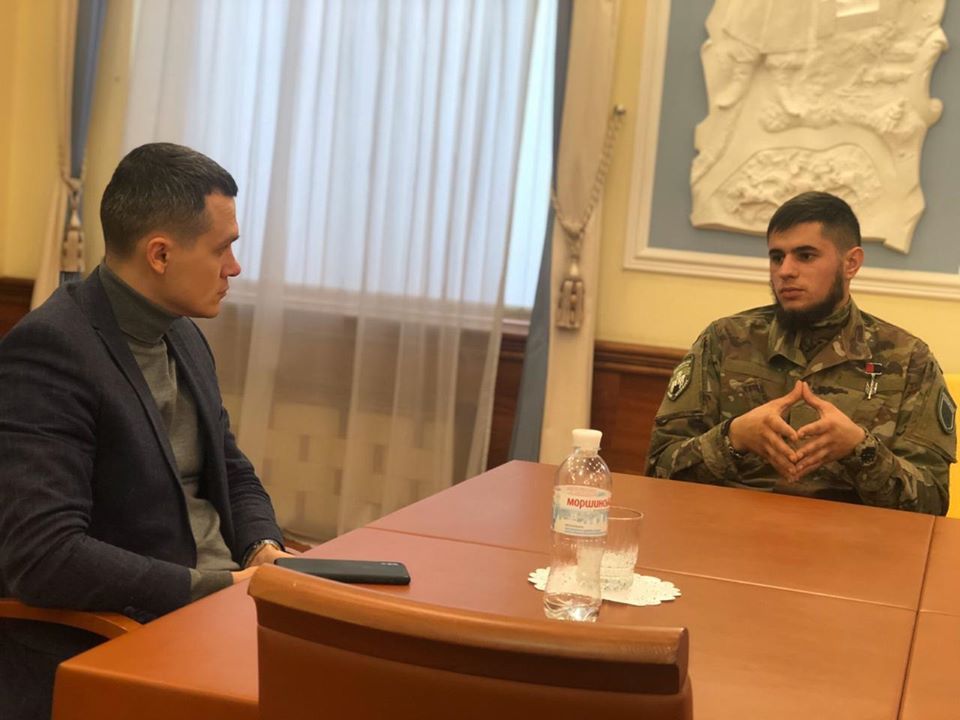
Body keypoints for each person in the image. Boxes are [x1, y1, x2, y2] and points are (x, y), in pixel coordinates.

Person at [0, 143, 290, 719]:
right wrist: (219, 588)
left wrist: (264, 549)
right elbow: (45, 556)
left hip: (220, 607)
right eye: (222, 248)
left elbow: (231, 469)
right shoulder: (51, 350)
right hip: (128, 632)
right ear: (160, 254)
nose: (234, 267)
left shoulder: (181, 333)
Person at [646, 191, 954, 514]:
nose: (785, 271)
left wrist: (859, 449)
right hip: (732, 527)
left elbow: (932, 503)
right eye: (777, 257)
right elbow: (658, 470)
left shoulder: (908, 359)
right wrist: (733, 438)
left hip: (852, 536)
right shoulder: (724, 341)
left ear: (851, 263)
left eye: (805, 256)